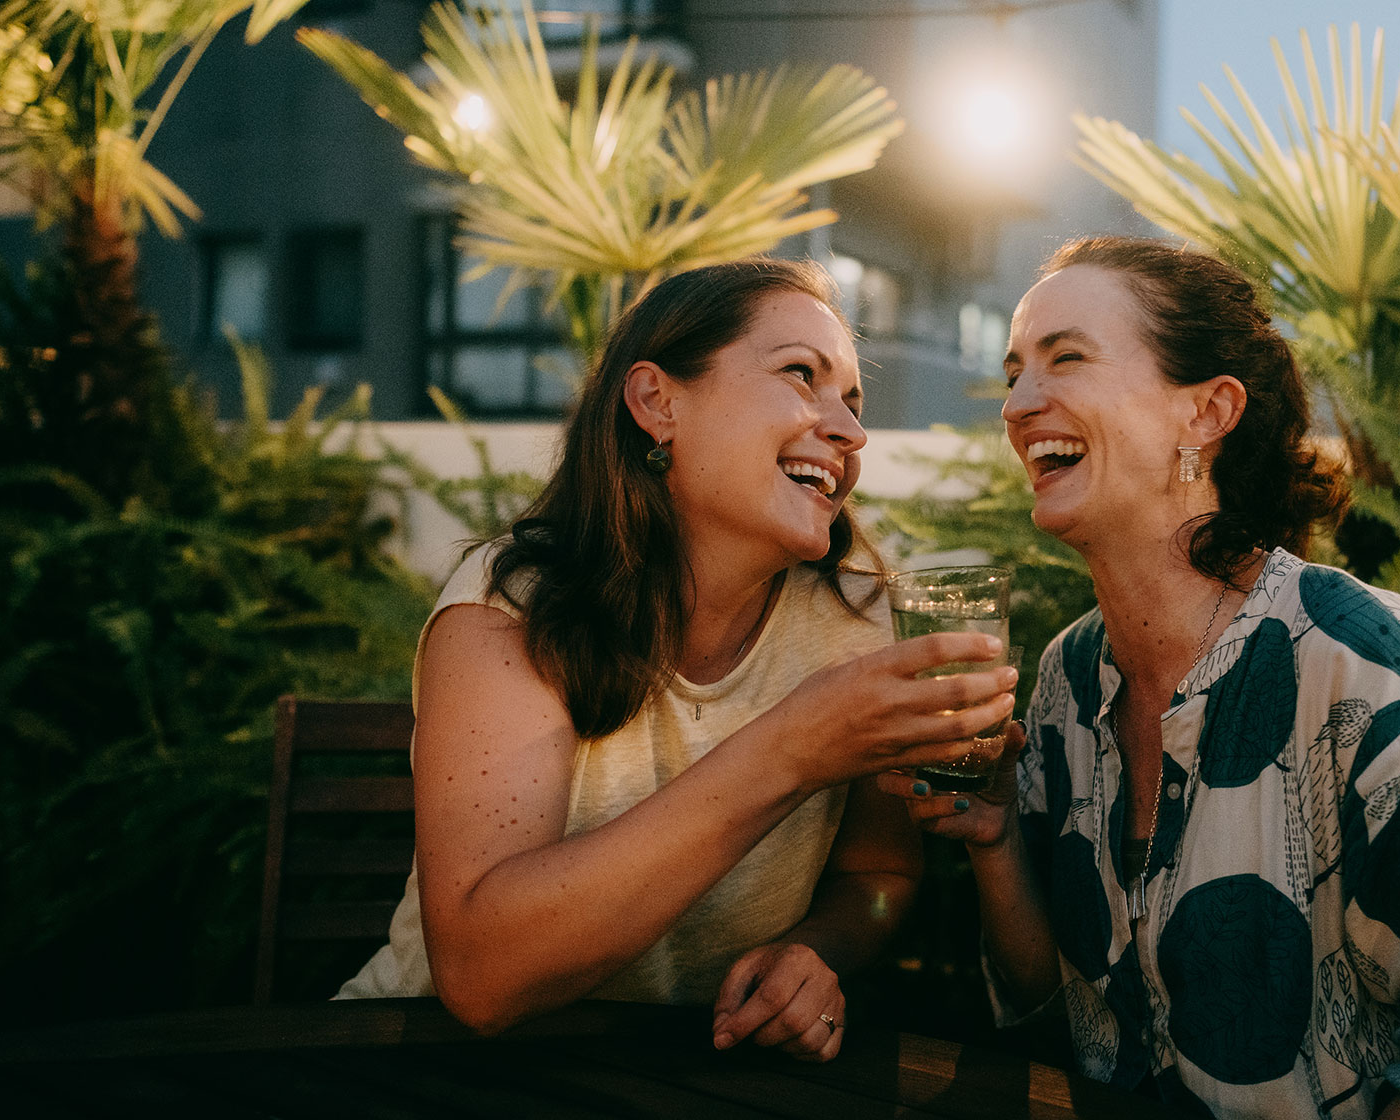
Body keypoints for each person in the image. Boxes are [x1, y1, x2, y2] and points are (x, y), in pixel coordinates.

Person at [881, 238, 1400, 1118]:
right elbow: (1064, 1010)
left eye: (1066, 357)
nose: (1019, 403)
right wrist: (996, 837)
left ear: (1208, 412)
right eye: (1013, 373)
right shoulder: (1070, 681)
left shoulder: (1351, 659)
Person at [339, 259, 1017, 1064]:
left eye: (853, 401)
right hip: (428, 1065)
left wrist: (820, 953)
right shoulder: (513, 608)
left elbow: (878, 874)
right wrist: (791, 751)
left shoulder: (859, 623)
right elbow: (483, 980)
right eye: (802, 375)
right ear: (658, 402)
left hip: (697, 1072)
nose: (850, 431)